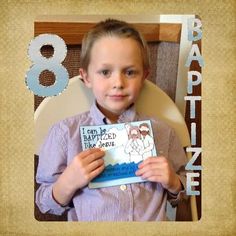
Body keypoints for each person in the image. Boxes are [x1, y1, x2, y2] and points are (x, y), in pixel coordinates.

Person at [36, 18, 188, 221]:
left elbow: (187, 191)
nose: (118, 83)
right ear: (86, 77)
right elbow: (44, 203)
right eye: (105, 72)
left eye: (130, 72)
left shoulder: (164, 133)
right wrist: (67, 182)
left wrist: (174, 183)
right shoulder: (64, 133)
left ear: (144, 77)